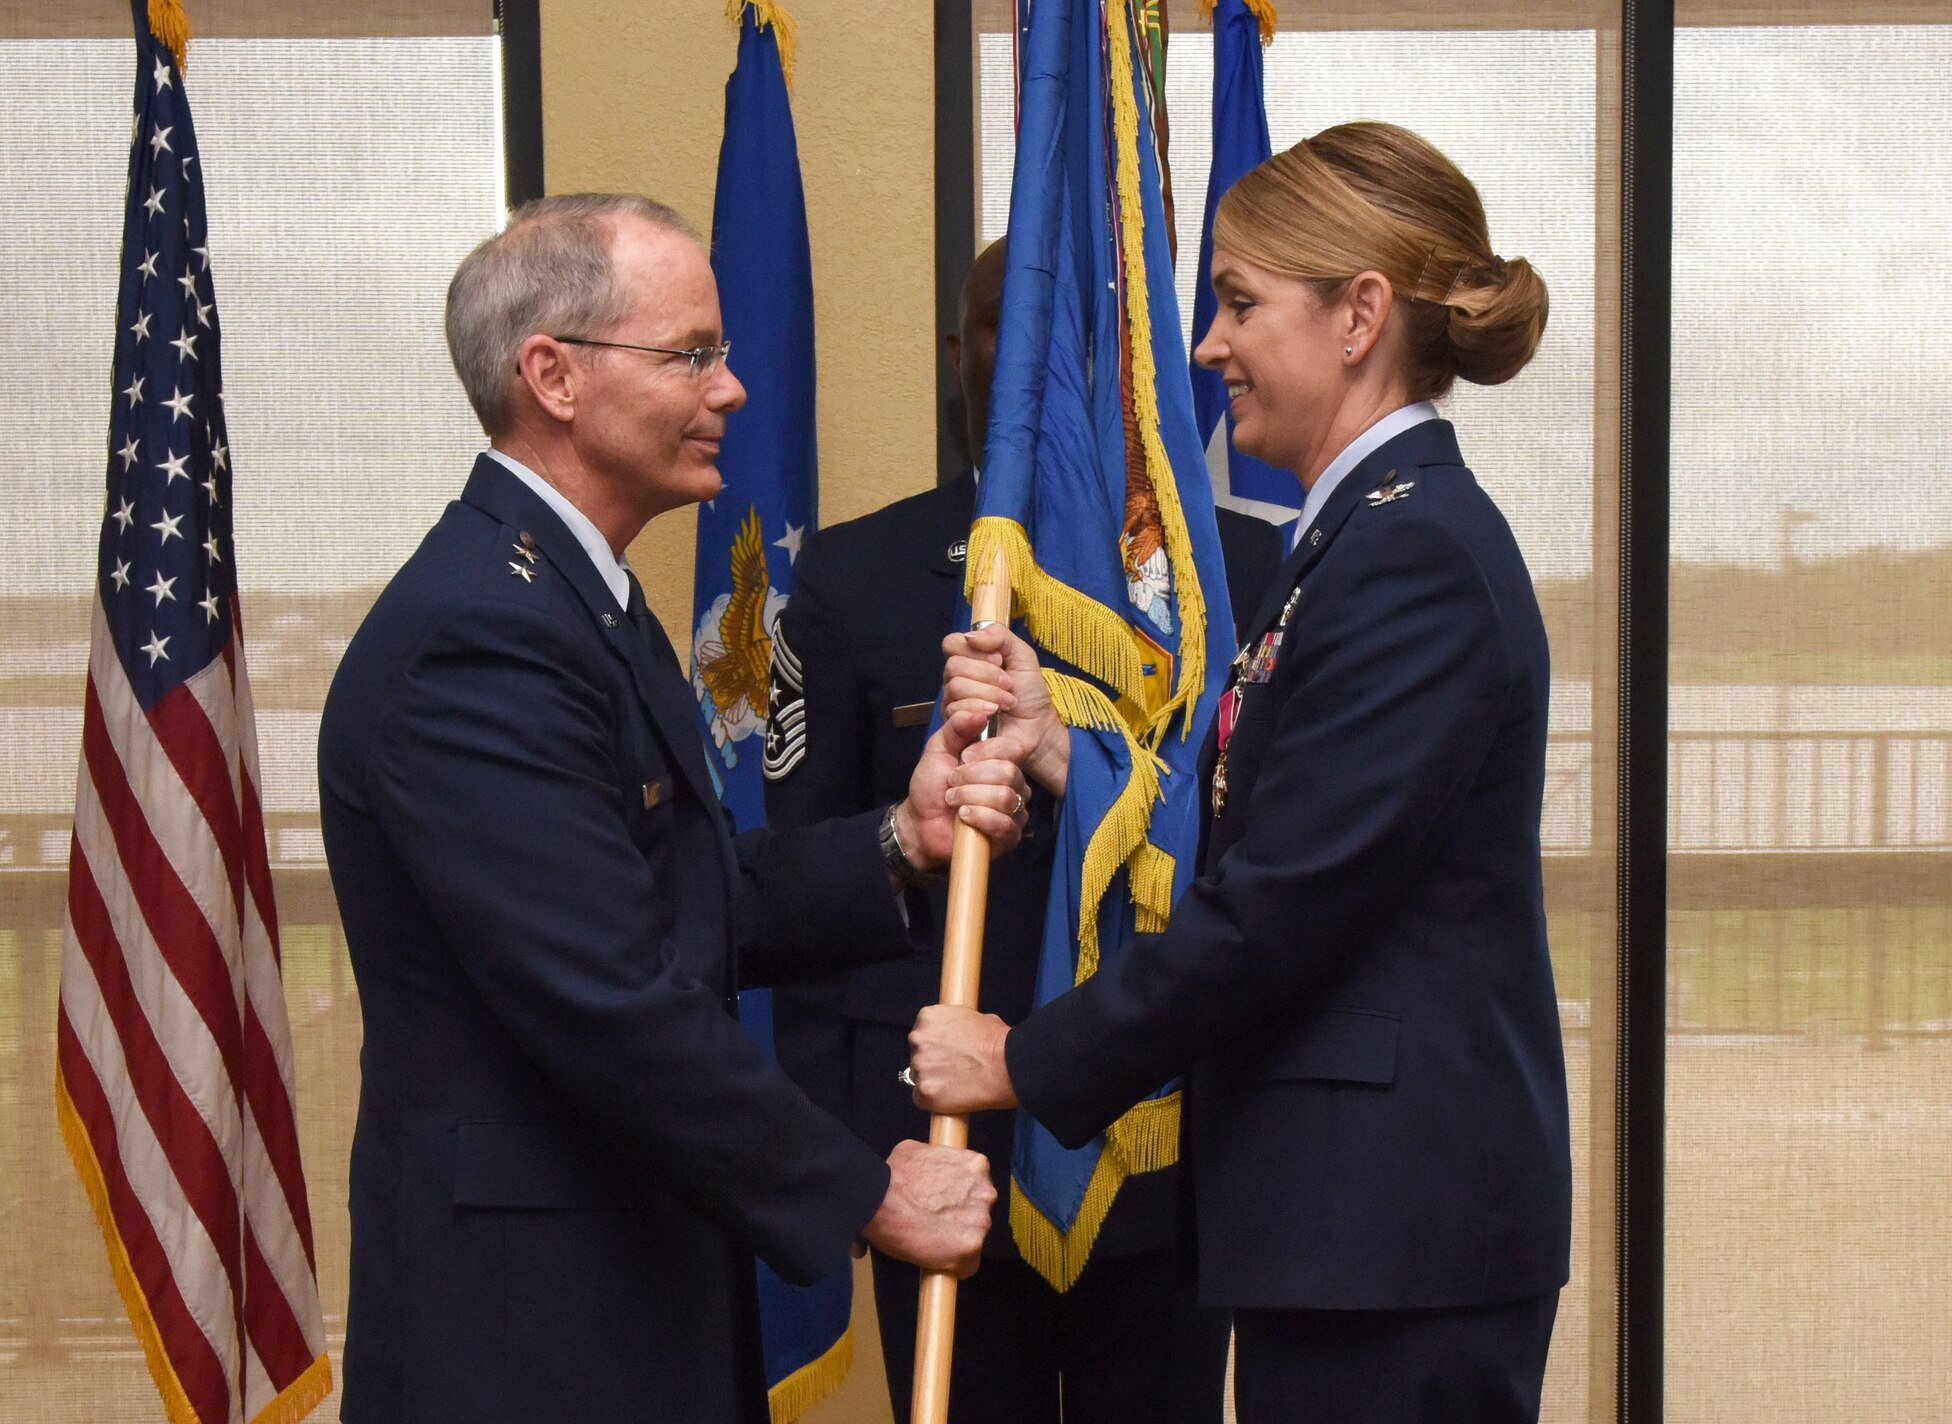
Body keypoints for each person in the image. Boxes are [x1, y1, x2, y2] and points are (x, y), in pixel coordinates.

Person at [318, 193, 1030, 1424]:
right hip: (530, 1327)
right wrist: (868, 1188)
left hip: (620, 1277)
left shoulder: (570, 599)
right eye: (691, 354)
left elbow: (673, 897)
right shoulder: (479, 639)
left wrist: (896, 840)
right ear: (552, 373)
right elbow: (607, 994)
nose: (732, 389)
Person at [910, 122, 1573, 1424]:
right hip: (1350, 1227)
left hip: (1391, 1237)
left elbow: (1285, 905)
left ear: (1359, 315)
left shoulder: (1411, 559)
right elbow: (1289, 836)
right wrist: (1067, 753)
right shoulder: (1361, 547)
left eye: (1236, 302)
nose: (1206, 349)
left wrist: (1025, 1061)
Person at [760, 239, 1278, 1423]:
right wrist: (845, 1161)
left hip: (1160, 1147)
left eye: (1072, 335)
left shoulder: (1231, 577)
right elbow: (802, 895)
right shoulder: (857, 575)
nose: (1034, 360)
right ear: (956, 356)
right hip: (938, 1152)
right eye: (1002, 328)